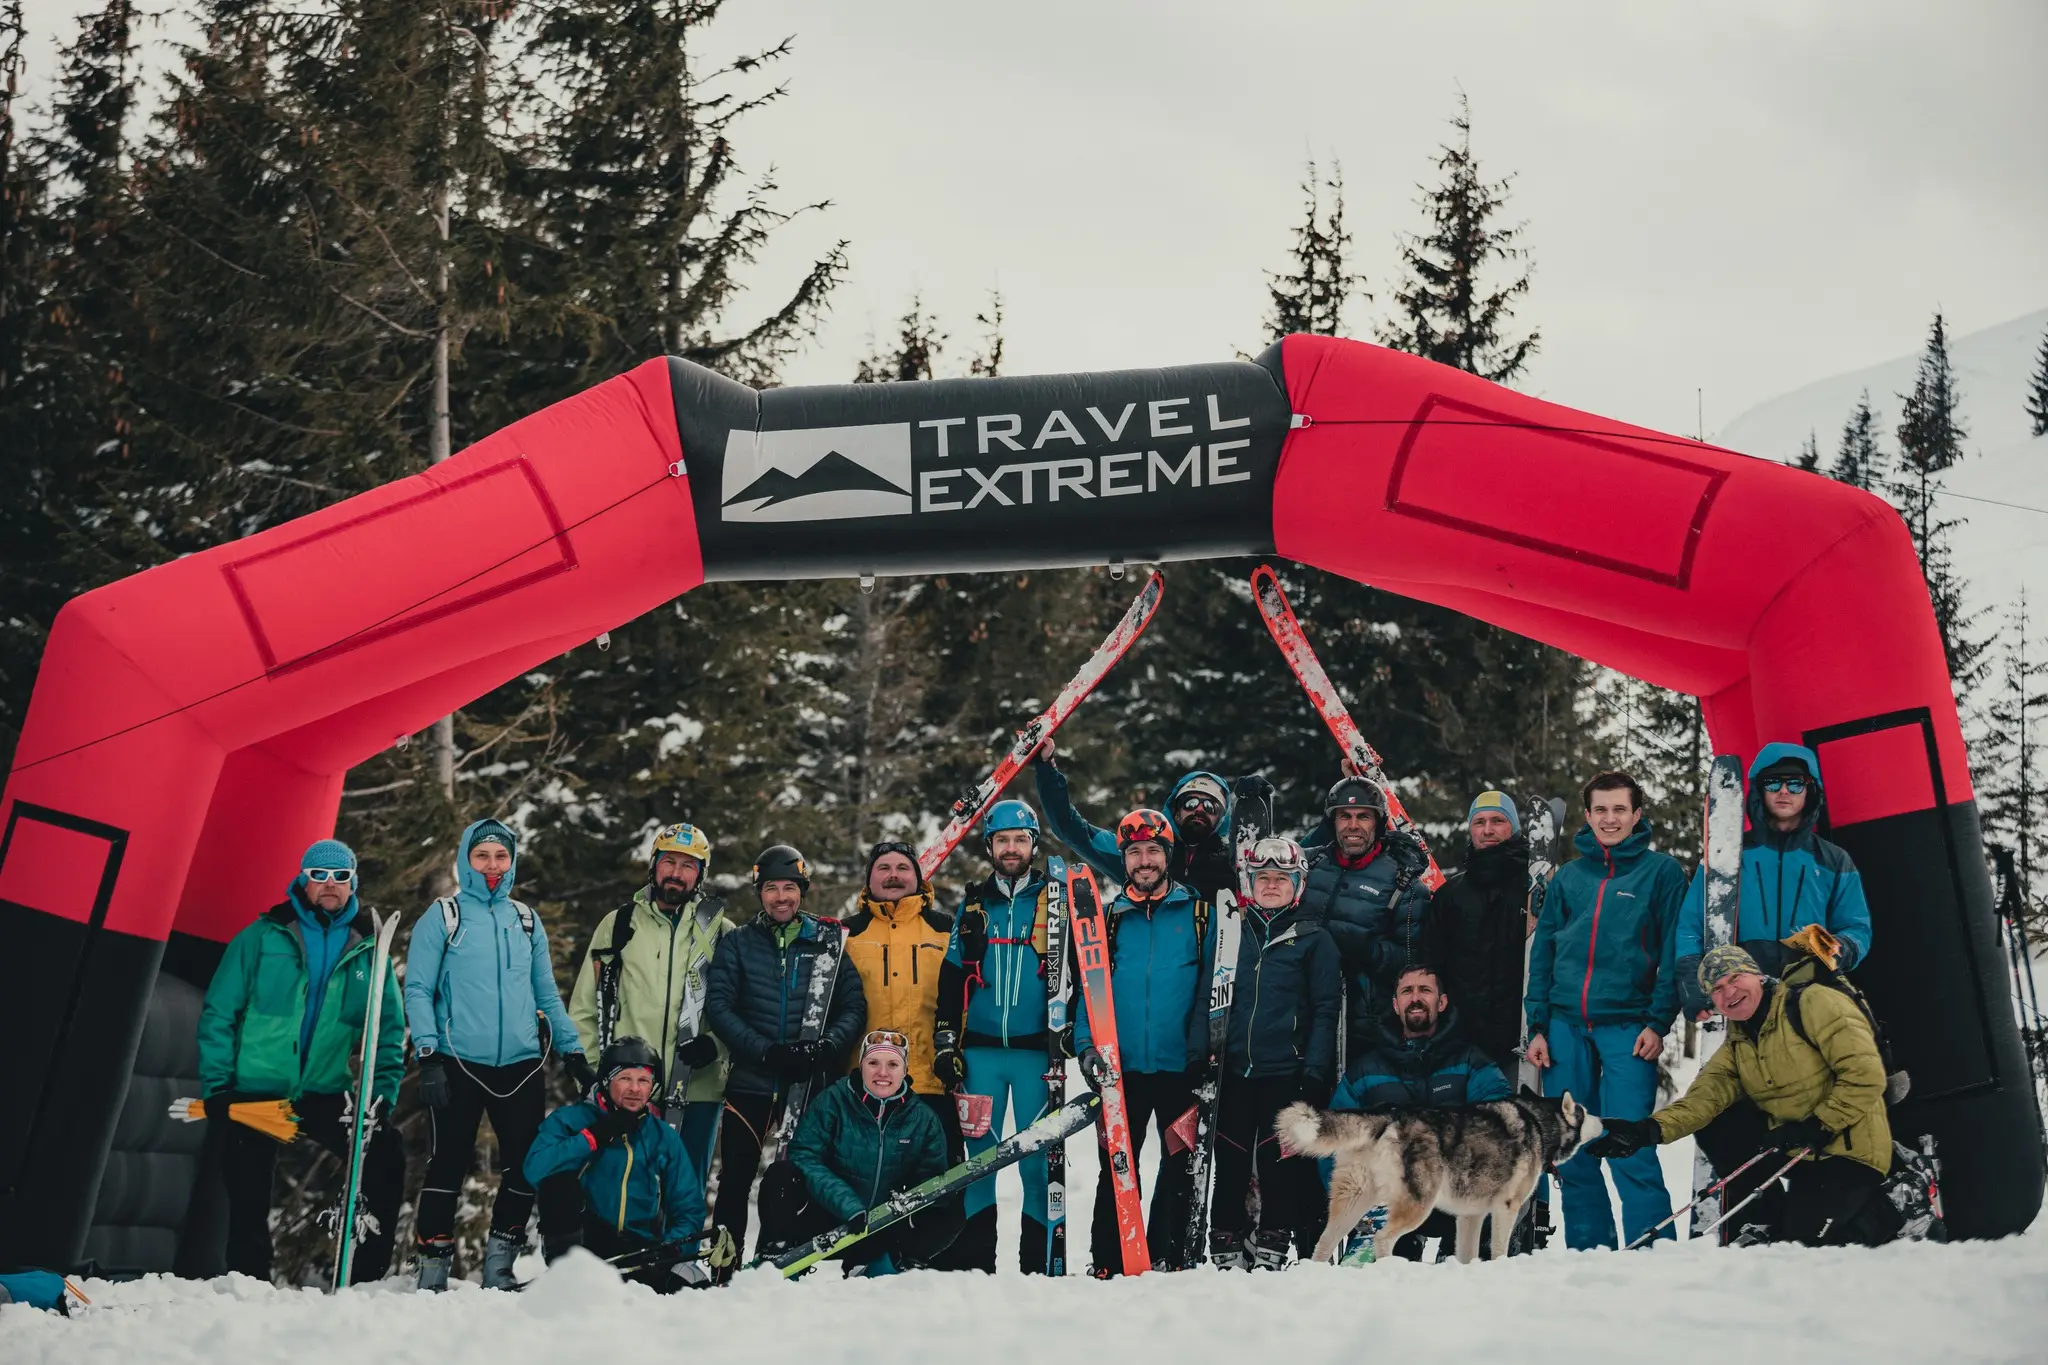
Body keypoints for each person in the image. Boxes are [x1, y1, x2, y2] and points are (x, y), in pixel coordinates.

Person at [1590, 944, 1900, 1248]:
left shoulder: (1815, 1003)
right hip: (1799, 1150)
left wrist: (1819, 1124)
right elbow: (1703, 1100)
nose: (1729, 993)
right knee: (1719, 1120)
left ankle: (1888, 1209)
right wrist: (1645, 1132)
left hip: (1848, 1150)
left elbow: (1865, 1076)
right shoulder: (1739, 1042)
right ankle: (1765, 1220)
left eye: (1735, 978)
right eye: (1717, 989)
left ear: (1759, 977)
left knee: (1801, 1253)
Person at [196, 838, 404, 1283]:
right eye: (320, 876)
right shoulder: (262, 937)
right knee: (247, 1192)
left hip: (324, 1090)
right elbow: (219, 1012)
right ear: (304, 880)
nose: (330, 885)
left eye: (340, 877)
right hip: (256, 1088)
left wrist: (381, 1095)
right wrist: (217, 1086)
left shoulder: (368, 950)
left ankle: (368, 1277)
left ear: (353, 883)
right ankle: (248, 1284)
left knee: (385, 1150)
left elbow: (388, 1029)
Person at [405, 818, 590, 1290]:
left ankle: (499, 1267)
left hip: (521, 1065)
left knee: (524, 1167)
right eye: (483, 855)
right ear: (466, 859)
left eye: (501, 856)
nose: (492, 865)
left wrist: (572, 1051)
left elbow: (547, 994)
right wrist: (427, 1055)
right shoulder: (444, 916)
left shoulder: (525, 920)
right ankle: (432, 1272)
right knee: (447, 1163)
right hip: (457, 1062)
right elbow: (420, 989)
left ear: (512, 862)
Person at [1523, 771, 1686, 1251]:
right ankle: (1590, 1253)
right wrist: (1537, 1025)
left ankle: (1652, 1251)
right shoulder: (1570, 878)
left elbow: (1675, 953)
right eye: (1600, 810)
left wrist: (1659, 1022)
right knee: (1572, 1148)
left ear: (1637, 815)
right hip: (1564, 1027)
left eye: (1620, 809)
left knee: (1628, 1143)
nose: (1610, 818)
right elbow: (1544, 954)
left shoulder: (1661, 873)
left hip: (1628, 1028)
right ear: (1588, 815)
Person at [702, 844, 866, 1261]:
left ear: (802, 891)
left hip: (808, 1081)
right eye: (771, 888)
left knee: (793, 1173)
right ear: (759, 892)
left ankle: (781, 1256)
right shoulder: (739, 942)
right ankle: (724, 1263)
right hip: (752, 1080)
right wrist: (766, 1052)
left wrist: (826, 1049)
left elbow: (853, 1005)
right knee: (736, 1177)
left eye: (789, 888)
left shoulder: (827, 941)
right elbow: (719, 1006)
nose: (781, 897)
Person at [1072, 808, 1216, 1274]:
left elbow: (1213, 987)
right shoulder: (1107, 921)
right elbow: (1088, 993)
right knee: (1116, 1166)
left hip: (1181, 1068)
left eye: (1153, 850)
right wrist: (1086, 1047)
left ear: (1167, 856)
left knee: (1179, 1167)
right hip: (1121, 1069)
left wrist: (1206, 1050)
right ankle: (1109, 1260)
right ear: (1125, 860)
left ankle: (1168, 1254)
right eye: (1134, 852)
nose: (1144, 860)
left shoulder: (1199, 915)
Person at [934, 800, 1061, 1273]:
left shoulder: (1057, 902)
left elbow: (1082, 975)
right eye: (1002, 840)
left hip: (1035, 1055)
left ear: (1033, 845)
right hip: (981, 1054)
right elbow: (950, 981)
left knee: (1036, 1161)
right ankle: (973, 1265)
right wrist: (945, 1042)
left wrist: (1071, 1033)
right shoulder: (973, 906)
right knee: (978, 1161)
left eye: (1020, 839)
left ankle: (1040, 1262)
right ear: (990, 845)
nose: (1011, 848)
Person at [568, 822, 732, 1183]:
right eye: (669, 862)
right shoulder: (619, 923)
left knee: (685, 1188)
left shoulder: (720, 932)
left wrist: (716, 1046)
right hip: (629, 1084)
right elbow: (584, 1005)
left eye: (688, 865)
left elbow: (741, 1009)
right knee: (627, 1188)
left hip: (698, 1086)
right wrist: (595, 1072)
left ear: (700, 875)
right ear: (654, 865)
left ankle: (683, 1245)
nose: (676, 873)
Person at [1209, 836, 1342, 1270]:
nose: (1270, 885)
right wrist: (1202, 1056)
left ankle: (1274, 1241)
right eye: (1262, 877)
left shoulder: (1313, 939)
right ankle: (1225, 1241)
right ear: (1249, 882)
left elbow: (1326, 1010)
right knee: (1229, 1157)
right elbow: (1206, 996)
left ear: (1297, 885)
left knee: (1278, 1159)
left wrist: (1316, 1070)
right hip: (1233, 1069)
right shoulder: (1231, 932)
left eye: (1280, 879)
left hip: (1285, 1069)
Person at [1328, 963, 1513, 1260]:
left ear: (1441, 1003)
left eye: (1425, 990)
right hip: (1388, 1198)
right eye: (1407, 991)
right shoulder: (1365, 1070)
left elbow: (1503, 1125)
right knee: (1371, 1281)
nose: (1415, 998)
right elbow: (1335, 1138)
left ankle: (1460, 1258)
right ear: (1395, 1004)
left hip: (1456, 1193)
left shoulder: (1471, 1062)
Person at [1675, 744, 1874, 1019]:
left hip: (1810, 998)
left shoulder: (1834, 861)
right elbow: (1691, 927)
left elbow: (1856, 928)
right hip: (1743, 999)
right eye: (1773, 783)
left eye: (1795, 784)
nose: (1783, 791)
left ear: (1810, 791)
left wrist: (1837, 949)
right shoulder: (1727, 857)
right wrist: (1692, 980)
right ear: (1759, 791)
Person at [523, 1037, 721, 1292]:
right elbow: (535, 1169)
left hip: (638, 1249)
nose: (635, 1089)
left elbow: (688, 1207)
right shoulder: (571, 1120)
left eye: (644, 1081)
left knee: (694, 1288)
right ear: (606, 1080)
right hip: (583, 1242)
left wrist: (671, 1247)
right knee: (558, 1184)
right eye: (625, 1078)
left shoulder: (661, 1136)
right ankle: (568, 1279)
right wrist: (594, 1136)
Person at [782, 1029, 962, 1275]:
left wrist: (903, 1202)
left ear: (905, 1070)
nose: (883, 1073)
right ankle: (783, 1257)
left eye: (893, 1064)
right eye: (873, 1062)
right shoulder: (833, 1100)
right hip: (830, 1216)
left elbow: (930, 1179)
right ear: (861, 1065)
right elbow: (802, 1155)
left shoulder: (923, 1118)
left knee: (950, 1196)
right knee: (782, 1175)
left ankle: (890, 1264)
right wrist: (849, 1206)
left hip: (882, 1226)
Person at [1033, 738, 1274, 902]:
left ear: (1221, 818)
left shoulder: (1233, 863)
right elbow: (1070, 828)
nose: (1199, 810)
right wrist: (1046, 768)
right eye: (1190, 803)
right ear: (1175, 808)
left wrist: (1258, 809)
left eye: (1210, 806)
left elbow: (1291, 870)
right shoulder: (1141, 852)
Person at [843, 840, 959, 1171]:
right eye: (884, 868)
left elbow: (964, 1002)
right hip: (863, 1086)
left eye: (902, 868)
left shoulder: (945, 931)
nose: (893, 875)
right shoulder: (846, 934)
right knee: (870, 1184)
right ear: (869, 879)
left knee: (937, 1188)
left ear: (919, 878)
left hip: (931, 1083)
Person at [1300, 776, 1432, 1059]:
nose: (1353, 826)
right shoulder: (1307, 866)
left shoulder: (1404, 884)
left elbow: (1413, 962)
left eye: (1363, 817)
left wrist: (1368, 950)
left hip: (1365, 1024)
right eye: (1344, 816)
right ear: (1332, 821)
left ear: (1379, 822)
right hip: (1302, 1012)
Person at [1423, 791, 1534, 1076]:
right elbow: (1432, 964)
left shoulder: (1533, 891)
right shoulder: (1451, 895)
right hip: (1461, 1042)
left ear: (1514, 828)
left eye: (1498, 821)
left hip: (1519, 1043)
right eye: (1479, 822)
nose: (1487, 830)